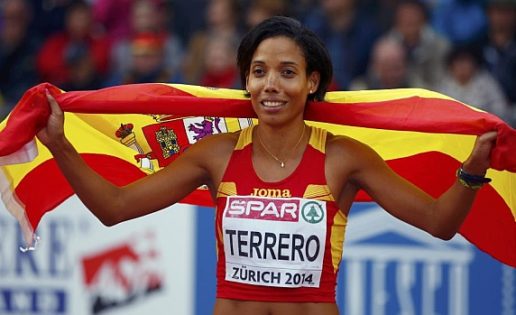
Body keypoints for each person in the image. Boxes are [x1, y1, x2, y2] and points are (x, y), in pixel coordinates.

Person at [38, 16, 497, 315]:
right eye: (258, 72)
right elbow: (115, 207)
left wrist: (473, 170)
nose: (270, 85)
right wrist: (59, 145)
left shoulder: (343, 157)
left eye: (287, 72)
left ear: (312, 81)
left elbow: (439, 222)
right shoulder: (216, 153)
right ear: (246, 81)